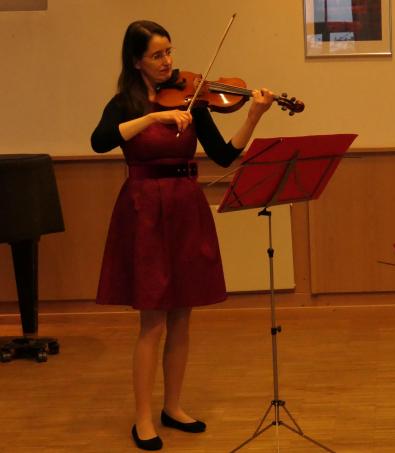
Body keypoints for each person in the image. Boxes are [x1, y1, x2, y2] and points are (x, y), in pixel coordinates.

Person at [90, 20, 274, 451]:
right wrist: (152, 116)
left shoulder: (195, 101)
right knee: (151, 321)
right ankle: (142, 419)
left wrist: (254, 114)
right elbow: (100, 141)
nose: (168, 62)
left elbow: (224, 156)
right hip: (144, 211)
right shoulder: (123, 104)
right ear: (136, 61)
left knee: (182, 317)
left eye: (169, 52)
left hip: (185, 206)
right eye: (157, 55)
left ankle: (173, 406)